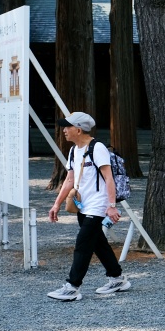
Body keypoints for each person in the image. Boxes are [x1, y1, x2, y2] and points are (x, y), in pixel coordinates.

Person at [46, 112, 131, 301]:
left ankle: (72, 286)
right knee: (98, 243)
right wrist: (56, 204)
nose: (64, 130)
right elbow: (69, 179)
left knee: (83, 244)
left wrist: (111, 206)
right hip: (82, 206)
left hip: (98, 206)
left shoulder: (98, 148)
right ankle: (117, 278)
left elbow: (109, 178)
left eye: (67, 127)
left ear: (78, 129)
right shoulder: (73, 150)